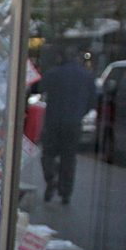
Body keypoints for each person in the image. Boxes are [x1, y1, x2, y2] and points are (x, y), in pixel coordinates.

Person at [38, 46, 96, 205]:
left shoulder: (52, 74)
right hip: (73, 123)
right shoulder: (87, 76)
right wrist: (79, 113)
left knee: (48, 154)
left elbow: (40, 89)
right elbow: (93, 102)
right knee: (69, 158)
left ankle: (51, 178)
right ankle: (65, 192)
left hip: (53, 121)